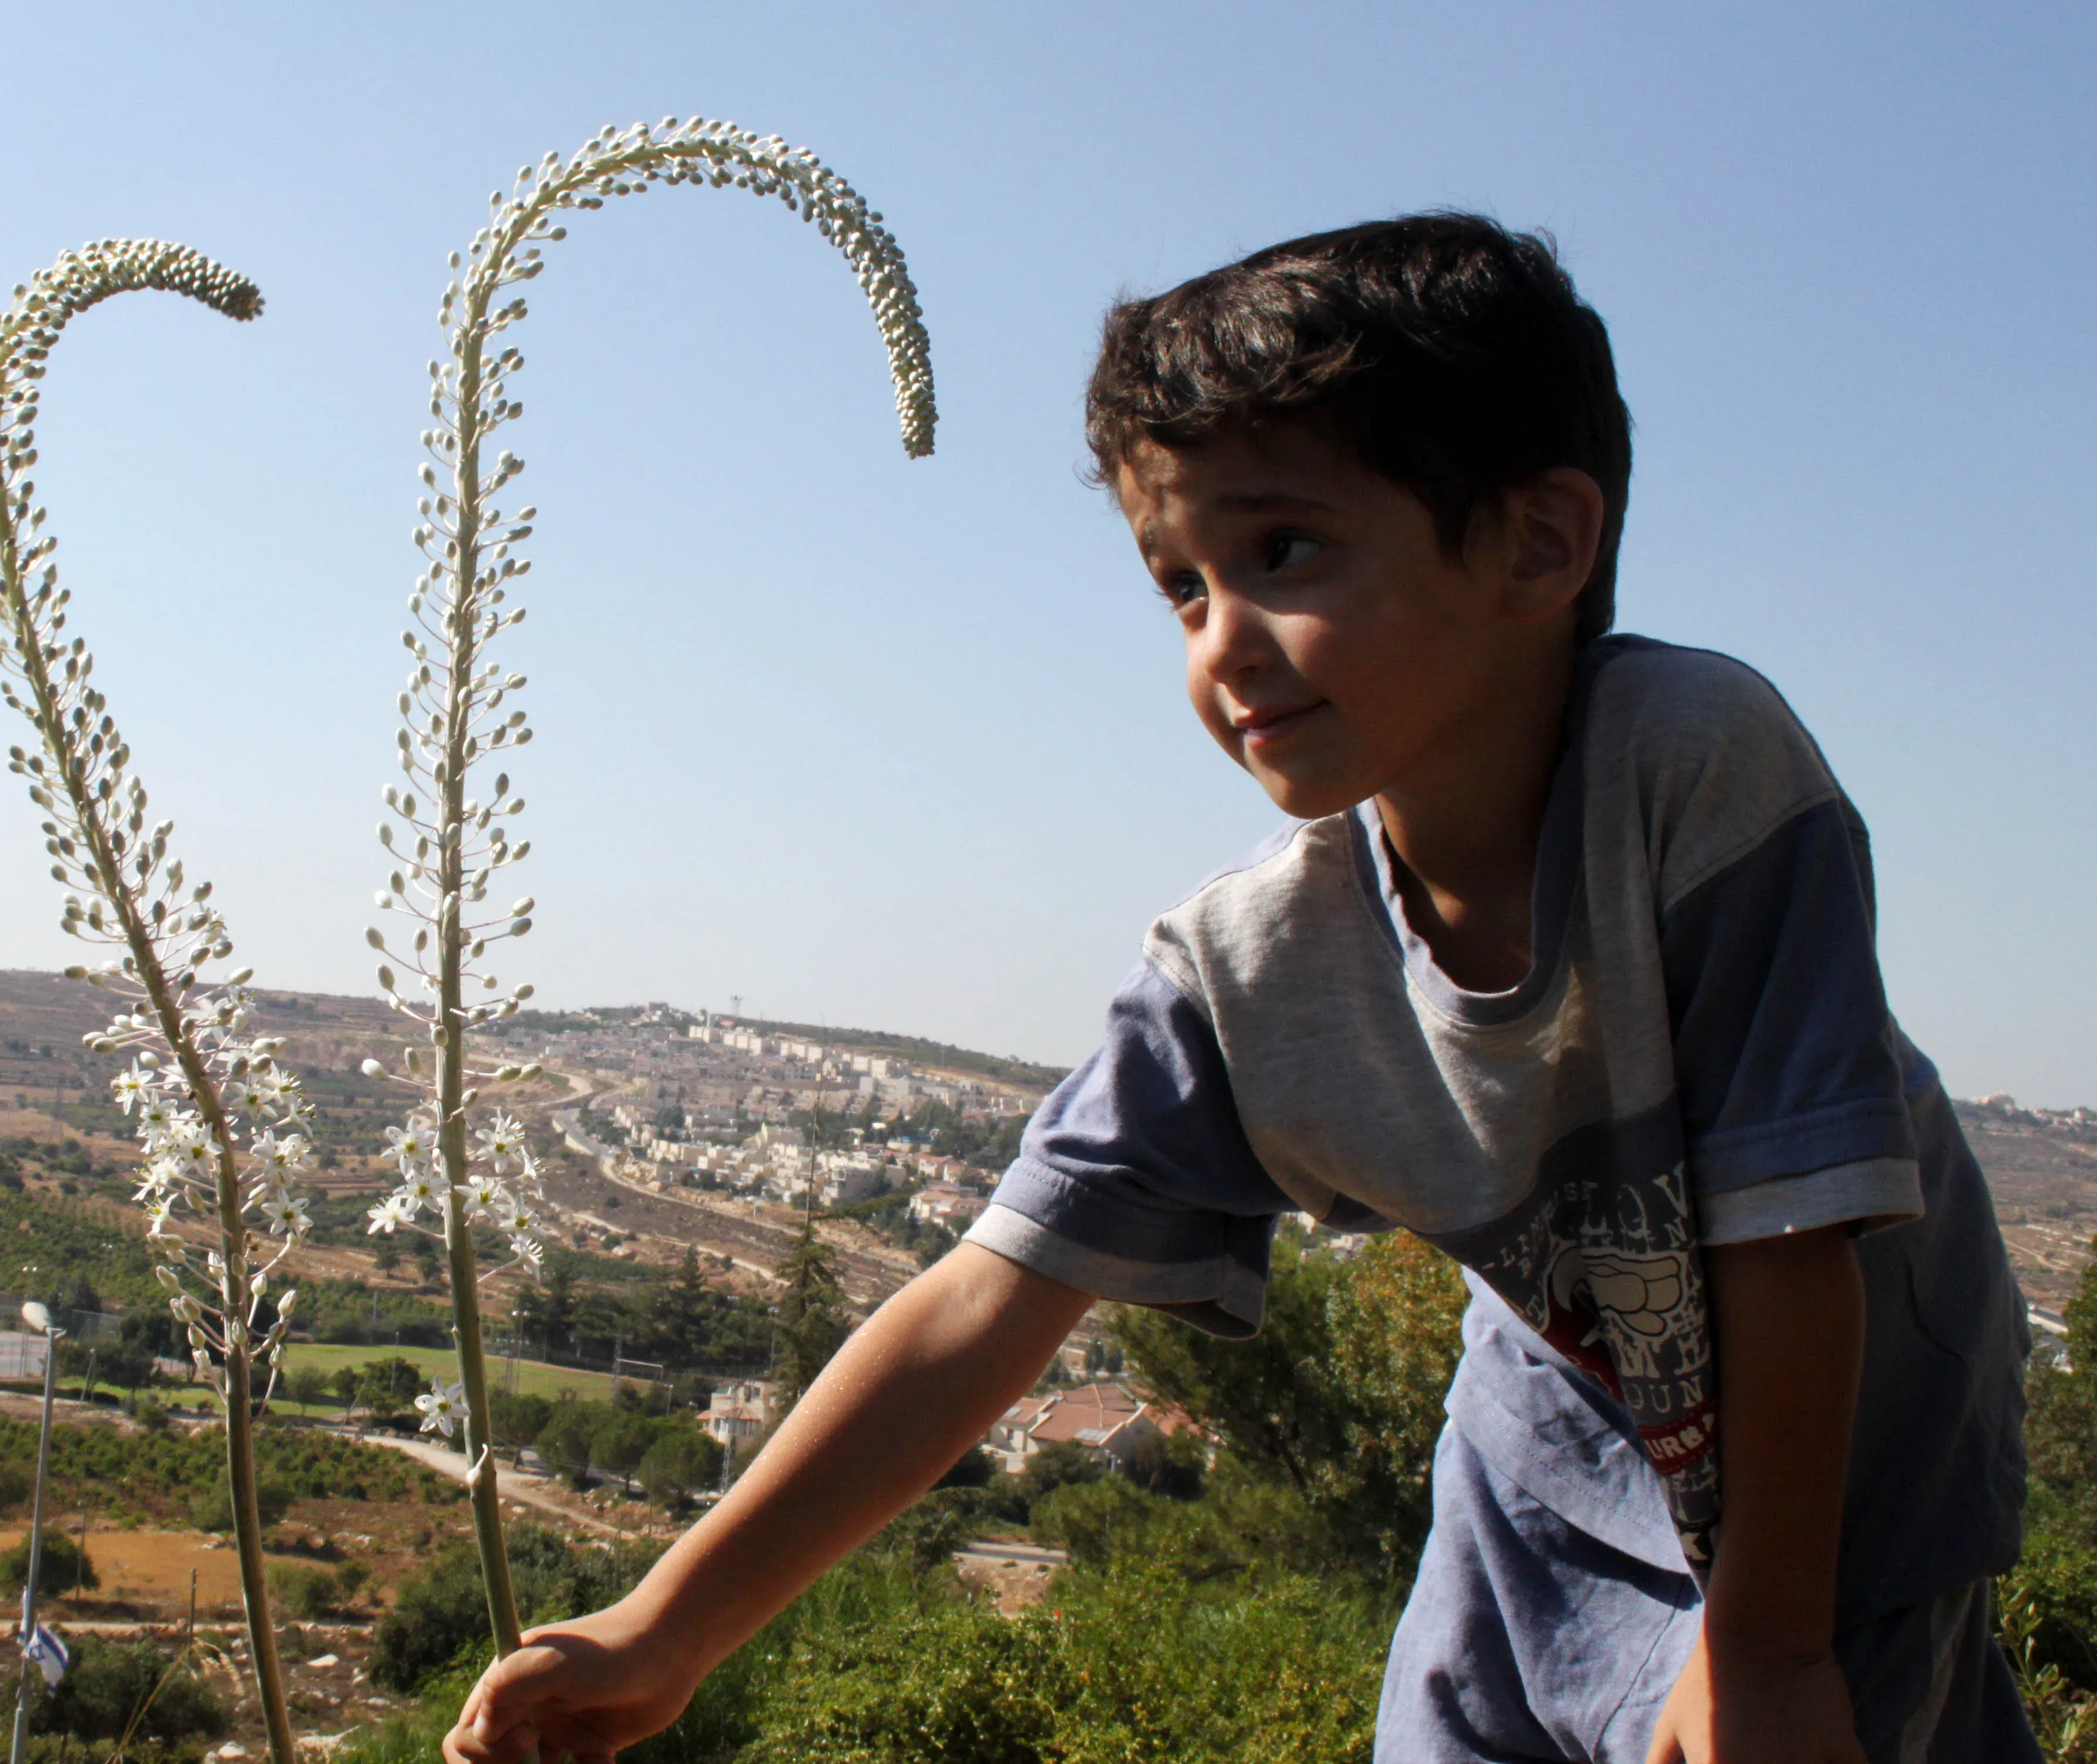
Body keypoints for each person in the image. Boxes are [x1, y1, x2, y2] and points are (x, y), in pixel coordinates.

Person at [441, 215, 2032, 1764]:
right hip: (1542, 1482)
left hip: (1842, 1508)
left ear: (1543, 539)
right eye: (1180, 585)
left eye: (1282, 551)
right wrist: (665, 1629)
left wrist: (1765, 1648)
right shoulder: (1252, 971)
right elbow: (987, 1307)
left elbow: (1787, 1238)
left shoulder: (1692, 773)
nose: (1223, 643)